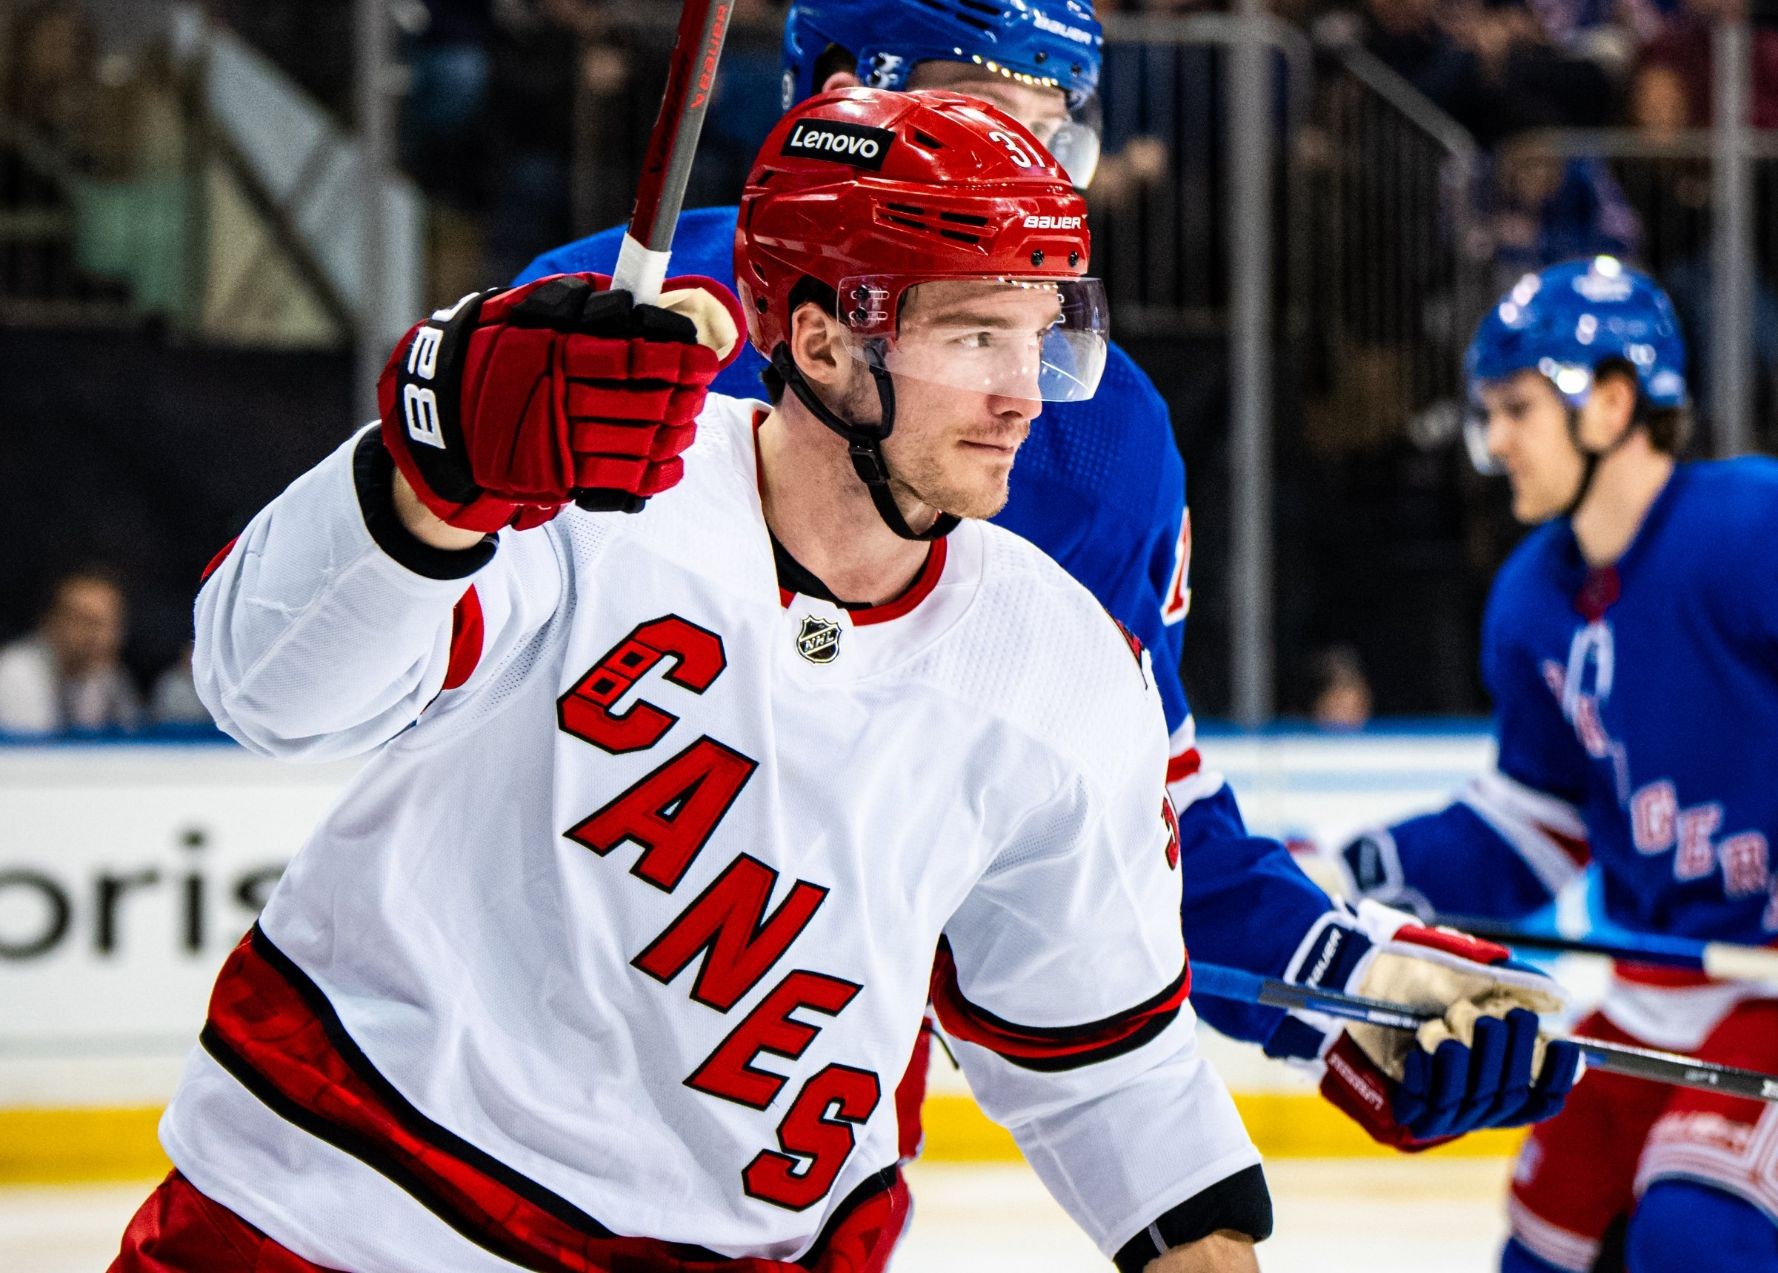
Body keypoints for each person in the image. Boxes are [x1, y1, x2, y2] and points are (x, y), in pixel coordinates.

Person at [112, 88, 1274, 1273]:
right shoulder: (588, 497)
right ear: (820, 342)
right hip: (332, 1219)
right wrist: (433, 480)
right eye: (975, 336)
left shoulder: (1064, 667)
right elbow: (264, 688)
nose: (1024, 390)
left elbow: (1110, 1068)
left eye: (1040, 334)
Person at [518, 0, 1584, 1163]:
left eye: (1050, 128)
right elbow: (409, 637)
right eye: (978, 109)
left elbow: (1131, 822)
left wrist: (1349, 985)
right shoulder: (610, 316)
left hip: (787, 1139)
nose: (1018, 167)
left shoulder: (1094, 434)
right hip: (493, 1051)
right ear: (834, 98)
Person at [1333, 256, 1778, 1273]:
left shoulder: (1748, 530)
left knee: (1695, 1234)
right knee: (1541, 1247)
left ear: (1611, 404)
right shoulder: (1532, 600)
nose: (1494, 441)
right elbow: (1535, 828)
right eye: (1488, 413)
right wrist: (1356, 878)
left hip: (1767, 995)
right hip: (1652, 993)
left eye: (1517, 409)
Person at [0, 568, 141, 734]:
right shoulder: (16, 671)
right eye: (87, 622)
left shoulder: (110, 675)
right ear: (50, 622)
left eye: (111, 623)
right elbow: (30, 746)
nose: (102, 636)